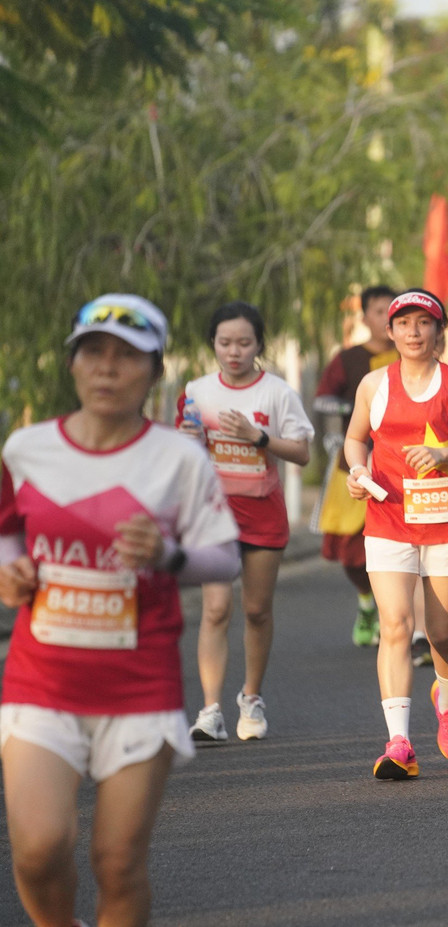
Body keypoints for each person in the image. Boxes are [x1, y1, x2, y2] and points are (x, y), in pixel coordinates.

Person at [0, 295, 241, 926]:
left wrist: (167, 556)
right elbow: (7, 534)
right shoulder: (26, 449)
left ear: (156, 372)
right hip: (42, 681)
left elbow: (225, 558)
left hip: (139, 687)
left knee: (116, 861)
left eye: (127, 358)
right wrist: (10, 572)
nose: (108, 369)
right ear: (73, 364)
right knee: (37, 849)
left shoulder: (177, 459)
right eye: (94, 353)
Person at [342, 289, 448, 779]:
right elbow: (354, 437)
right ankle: (399, 741)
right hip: (389, 519)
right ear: (390, 332)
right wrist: (356, 469)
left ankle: (447, 700)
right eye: (403, 323)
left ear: (438, 331)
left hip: (447, 520)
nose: (413, 332)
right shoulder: (374, 384)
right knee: (395, 625)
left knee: (442, 633)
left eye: (423, 323)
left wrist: (445, 455)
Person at [181, 303, 314, 744]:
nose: (233, 351)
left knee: (256, 610)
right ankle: (210, 710)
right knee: (216, 608)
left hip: (262, 513)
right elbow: (185, 450)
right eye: (224, 343)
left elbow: (301, 452)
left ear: (259, 344)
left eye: (243, 343)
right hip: (213, 515)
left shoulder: (277, 393)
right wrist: (187, 441)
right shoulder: (197, 391)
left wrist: (258, 438)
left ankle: (251, 698)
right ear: (213, 344)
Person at [314, 284, 398, 648]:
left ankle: (393, 614)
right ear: (364, 317)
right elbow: (323, 401)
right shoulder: (347, 359)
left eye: (391, 311)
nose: (385, 319)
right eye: (378, 311)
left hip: (398, 466)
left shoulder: (410, 357)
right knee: (350, 548)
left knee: (396, 545)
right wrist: (349, 418)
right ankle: (367, 603)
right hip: (355, 464)